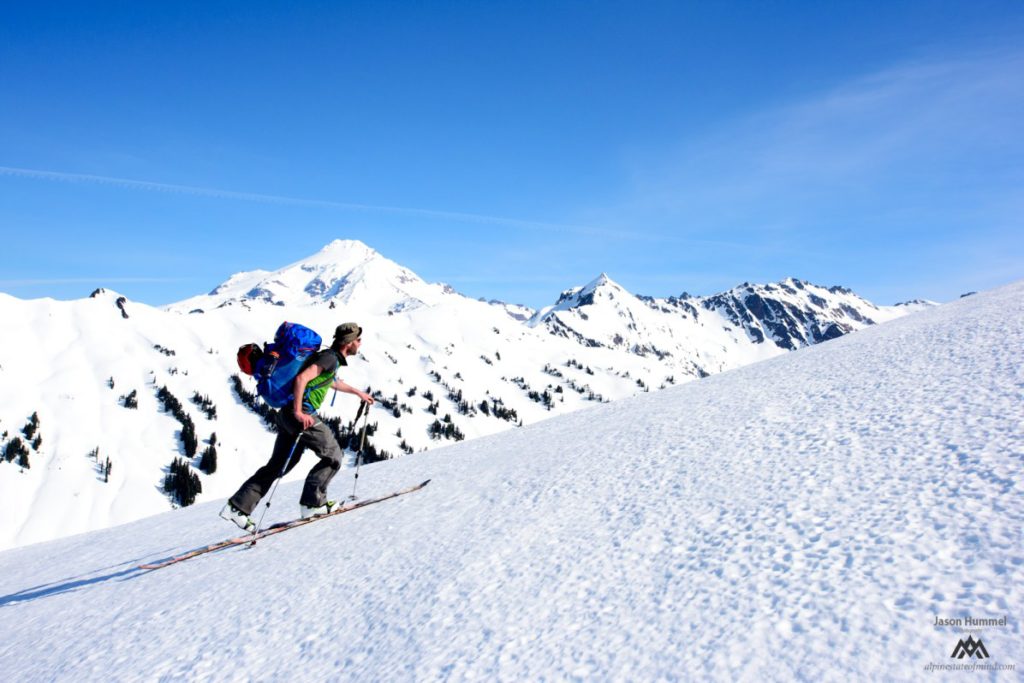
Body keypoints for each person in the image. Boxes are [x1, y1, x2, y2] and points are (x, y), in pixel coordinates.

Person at [220, 322, 375, 531]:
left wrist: (358, 393)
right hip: (300, 415)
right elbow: (302, 378)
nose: (360, 343)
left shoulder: (330, 359)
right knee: (333, 456)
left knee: (278, 466)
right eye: (358, 340)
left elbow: (330, 381)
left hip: (287, 414)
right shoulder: (329, 358)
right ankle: (313, 504)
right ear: (349, 343)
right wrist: (299, 412)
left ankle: (237, 507)